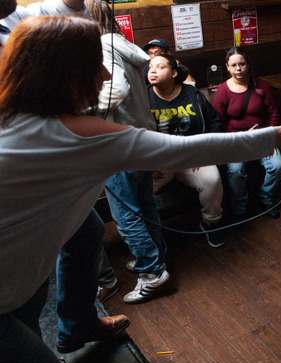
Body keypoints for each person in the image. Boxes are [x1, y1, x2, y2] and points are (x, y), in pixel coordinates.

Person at [0, 15, 281, 363]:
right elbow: (187, 151)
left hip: (15, 288)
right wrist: (275, 136)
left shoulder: (18, 113)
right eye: (94, 62)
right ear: (63, 73)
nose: (104, 72)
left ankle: (64, 341)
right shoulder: (83, 137)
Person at [86, 0, 170, 307]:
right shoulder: (124, 44)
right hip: (140, 141)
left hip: (119, 145)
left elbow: (117, 90)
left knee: (126, 215)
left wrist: (82, 109)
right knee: (145, 205)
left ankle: (151, 273)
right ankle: (155, 258)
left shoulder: (104, 48)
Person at [148, 53, 227, 250]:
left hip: (193, 156)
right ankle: (152, 237)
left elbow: (213, 122)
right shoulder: (143, 98)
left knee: (212, 180)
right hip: (160, 162)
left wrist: (203, 151)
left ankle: (210, 223)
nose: (153, 70)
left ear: (174, 73)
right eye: (151, 67)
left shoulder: (192, 95)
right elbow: (136, 135)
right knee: (138, 190)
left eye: (160, 67)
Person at [212, 47, 281, 220]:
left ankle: (266, 198)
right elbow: (219, 123)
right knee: (236, 170)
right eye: (234, 65)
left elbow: (273, 113)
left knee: (277, 165)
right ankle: (240, 206)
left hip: (262, 138)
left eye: (242, 64)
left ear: (248, 65)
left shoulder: (261, 85)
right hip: (235, 140)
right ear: (227, 68)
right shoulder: (223, 91)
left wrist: (270, 136)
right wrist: (239, 136)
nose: (238, 69)